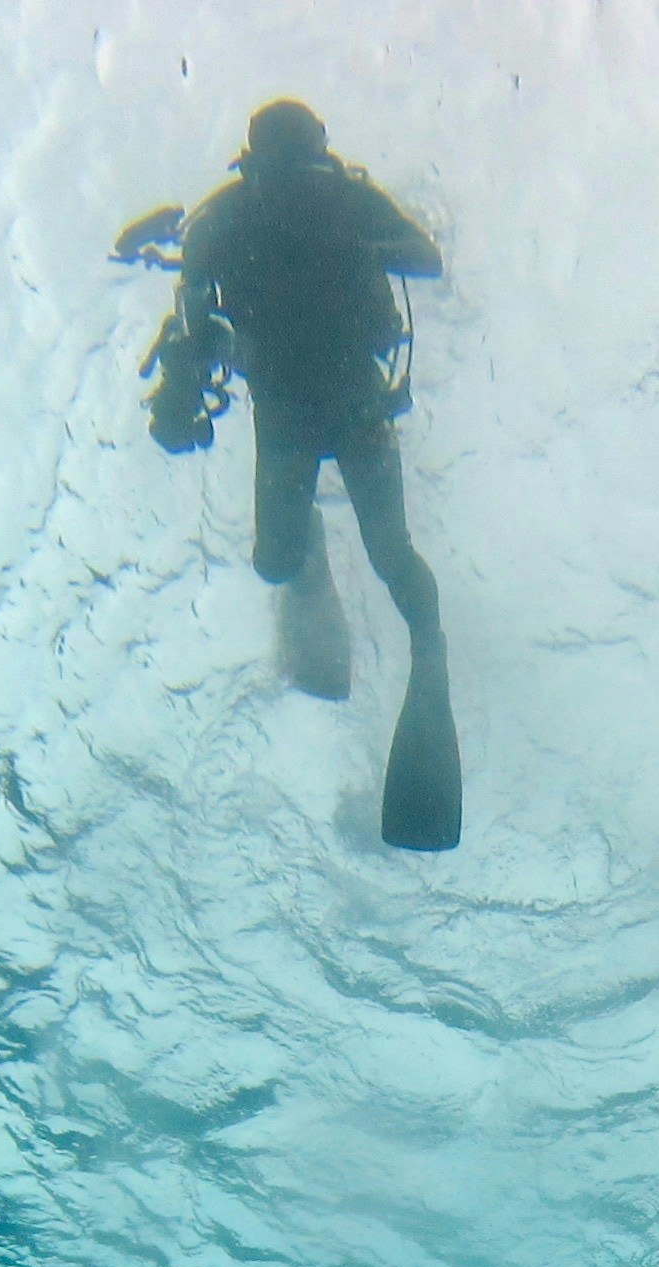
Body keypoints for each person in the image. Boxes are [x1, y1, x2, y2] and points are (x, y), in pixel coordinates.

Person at [137, 97, 461, 848]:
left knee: (385, 558)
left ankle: (427, 641)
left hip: (346, 406)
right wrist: (181, 388)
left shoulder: (325, 199)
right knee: (293, 561)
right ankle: (322, 566)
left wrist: (353, 220)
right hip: (301, 410)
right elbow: (192, 321)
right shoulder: (235, 217)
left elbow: (425, 260)